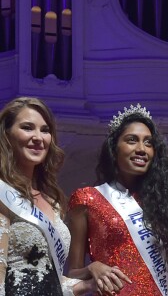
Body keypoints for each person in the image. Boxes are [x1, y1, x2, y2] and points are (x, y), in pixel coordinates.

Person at [67, 104, 168, 295]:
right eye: (132, 140)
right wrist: (92, 268)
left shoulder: (161, 205)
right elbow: (71, 275)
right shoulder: (87, 198)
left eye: (148, 143)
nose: (141, 149)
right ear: (114, 148)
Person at [0, 97, 96, 295]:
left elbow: (47, 277)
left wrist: (89, 284)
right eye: (27, 127)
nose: (38, 137)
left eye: (45, 130)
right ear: (6, 134)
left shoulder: (52, 202)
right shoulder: (3, 194)